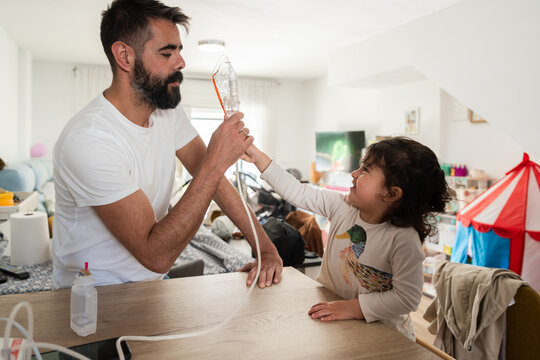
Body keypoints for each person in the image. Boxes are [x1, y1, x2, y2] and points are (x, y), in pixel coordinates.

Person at [52, 0, 282, 289]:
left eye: (179, 51)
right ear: (124, 56)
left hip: (153, 287)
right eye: (166, 52)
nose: (181, 63)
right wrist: (216, 160)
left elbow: (216, 182)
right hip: (95, 298)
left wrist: (266, 249)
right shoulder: (89, 139)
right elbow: (156, 255)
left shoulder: (167, 112)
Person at [243, 137, 451, 339]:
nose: (354, 173)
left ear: (391, 193)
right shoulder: (342, 206)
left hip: (383, 334)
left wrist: (354, 307)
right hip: (335, 317)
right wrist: (255, 154)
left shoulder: (403, 239)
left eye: (365, 169)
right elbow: (298, 191)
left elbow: (407, 298)